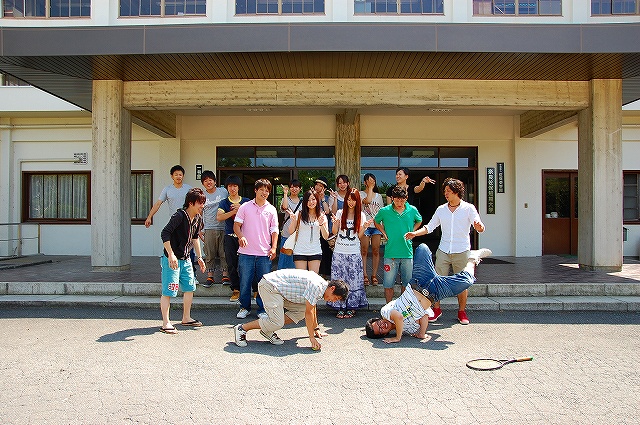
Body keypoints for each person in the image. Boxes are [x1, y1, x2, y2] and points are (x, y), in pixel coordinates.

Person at [364, 243, 491, 343]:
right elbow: (424, 317)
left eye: (379, 323)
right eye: (380, 330)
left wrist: (397, 338)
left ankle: (435, 267)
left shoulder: (385, 312)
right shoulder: (408, 330)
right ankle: (472, 259)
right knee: (467, 281)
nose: (382, 325)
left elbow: (399, 316)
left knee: (422, 248)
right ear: (384, 334)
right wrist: (422, 333)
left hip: (419, 282)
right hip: (435, 293)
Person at [405, 177, 486, 325]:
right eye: (445, 191)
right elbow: (430, 227)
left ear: (456, 192)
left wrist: (479, 226)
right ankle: (436, 309)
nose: (445, 194)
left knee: (461, 283)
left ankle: (461, 312)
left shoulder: (469, 208)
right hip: (443, 250)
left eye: (448, 191)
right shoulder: (441, 209)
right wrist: (414, 234)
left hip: (462, 250)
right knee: (435, 281)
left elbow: (479, 226)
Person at [233, 269, 348, 350]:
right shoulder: (317, 286)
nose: (333, 301)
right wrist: (311, 338)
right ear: (332, 288)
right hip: (270, 286)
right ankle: (242, 328)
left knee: (301, 311)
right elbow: (309, 313)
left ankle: (267, 329)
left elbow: (312, 308)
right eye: (336, 298)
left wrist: (316, 328)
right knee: (277, 322)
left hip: (280, 291)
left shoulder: (322, 286)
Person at [158, 187, 207, 334]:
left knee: (190, 288)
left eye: (203, 203)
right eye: (200, 203)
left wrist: (199, 257)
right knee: (168, 291)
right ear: (191, 203)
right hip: (171, 259)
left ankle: (186, 318)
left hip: (186, 259)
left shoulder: (197, 218)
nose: (202, 206)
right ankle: (166, 323)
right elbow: (165, 234)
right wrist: (171, 254)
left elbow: (195, 238)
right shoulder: (179, 216)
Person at [233, 178, 279, 319]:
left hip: (264, 253)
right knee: (245, 282)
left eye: (267, 190)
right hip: (246, 253)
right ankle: (244, 307)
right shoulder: (245, 207)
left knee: (263, 284)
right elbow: (236, 226)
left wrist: (274, 248)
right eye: (262, 189)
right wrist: (241, 236)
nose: (264, 192)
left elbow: (275, 230)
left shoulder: (271, 209)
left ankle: (262, 309)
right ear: (255, 190)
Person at [145, 165, 198, 278]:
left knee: (189, 247)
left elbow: (196, 205)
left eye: (180, 174)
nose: (178, 176)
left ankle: (192, 275)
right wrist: (149, 216)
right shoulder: (167, 189)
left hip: (188, 222)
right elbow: (158, 203)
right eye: (176, 174)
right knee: (173, 246)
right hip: (175, 223)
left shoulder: (188, 189)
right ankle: (174, 274)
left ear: (183, 176)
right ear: (172, 176)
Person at [328, 188, 372, 318]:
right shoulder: (340, 213)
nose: (350, 202)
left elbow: (358, 236)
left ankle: (351, 307)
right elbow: (335, 232)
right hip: (339, 252)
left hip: (353, 253)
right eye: (348, 199)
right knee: (339, 281)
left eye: (353, 200)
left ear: (357, 201)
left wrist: (364, 227)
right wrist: (335, 224)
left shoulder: (361, 215)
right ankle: (339, 306)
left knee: (353, 282)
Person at [374, 186, 423, 303]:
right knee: (388, 284)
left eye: (402, 200)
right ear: (392, 198)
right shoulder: (384, 211)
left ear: (406, 198)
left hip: (407, 253)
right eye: (397, 200)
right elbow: (376, 221)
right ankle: (388, 309)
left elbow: (419, 220)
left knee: (407, 284)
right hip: (390, 253)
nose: (399, 202)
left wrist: (414, 232)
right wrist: (383, 232)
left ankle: (402, 308)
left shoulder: (412, 210)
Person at [217, 175, 250, 302]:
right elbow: (219, 217)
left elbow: (252, 217)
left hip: (245, 237)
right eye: (230, 186)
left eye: (235, 186)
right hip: (230, 236)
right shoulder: (224, 202)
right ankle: (236, 290)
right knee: (231, 264)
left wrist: (240, 208)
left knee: (246, 264)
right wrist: (234, 212)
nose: (232, 188)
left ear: (238, 187)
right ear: (227, 188)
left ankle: (252, 289)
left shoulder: (246, 201)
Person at [286, 189, 330, 274]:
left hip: (315, 251)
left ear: (317, 200)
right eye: (308, 200)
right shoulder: (299, 214)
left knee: (313, 280)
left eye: (313, 199)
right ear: (305, 202)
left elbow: (326, 236)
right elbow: (291, 232)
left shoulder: (322, 216)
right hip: (299, 251)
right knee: (301, 280)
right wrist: (293, 221)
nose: (311, 202)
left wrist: (321, 224)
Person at [199, 170, 229, 288]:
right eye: (205, 181)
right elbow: (199, 213)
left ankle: (225, 275)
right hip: (209, 228)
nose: (208, 182)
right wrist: (199, 230)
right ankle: (210, 276)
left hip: (224, 227)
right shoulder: (202, 196)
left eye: (210, 180)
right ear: (203, 183)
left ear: (215, 181)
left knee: (224, 253)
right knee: (209, 253)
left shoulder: (223, 192)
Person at [359, 173, 384, 286]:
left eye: (373, 181)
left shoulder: (379, 196)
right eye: (369, 181)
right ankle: (364, 274)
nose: (371, 182)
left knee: (376, 250)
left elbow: (382, 213)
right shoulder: (360, 194)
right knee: (364, 250)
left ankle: (374, 275)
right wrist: (369, 188)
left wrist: (383, 228)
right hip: (365, 226)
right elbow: (368, 201)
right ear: (365, 182)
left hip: (377, 226)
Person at [277, 179, 302, 270]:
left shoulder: (303, 202)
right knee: (284, 259)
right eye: (292, 187)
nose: (294, 189)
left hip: (298, 235)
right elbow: (284, 207)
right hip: (287, 233)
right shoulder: (285, 199)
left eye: (296, 187)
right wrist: (285, 193)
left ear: (300, 189)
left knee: (294, 260)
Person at [313, 176, 335, 277]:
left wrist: (322, 199)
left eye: (320, 186)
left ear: (324, 188)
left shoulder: (327, 198)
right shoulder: (310, 197)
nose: (317, 187)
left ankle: (325, 274)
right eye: (317, 185)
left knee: (325, 252)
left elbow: (327, 211)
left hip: (324, 229)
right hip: (312, 229)